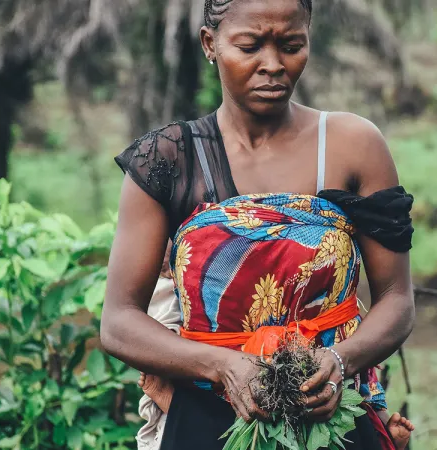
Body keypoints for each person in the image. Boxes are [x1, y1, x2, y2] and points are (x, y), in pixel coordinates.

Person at [101, 0, 416, 448]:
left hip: (329, 412)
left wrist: (339, 362)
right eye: (249, 46)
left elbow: (397, 300)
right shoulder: (168, 161)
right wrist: (223, 367)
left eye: (292, 46)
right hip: (208, 420)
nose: (273, 65)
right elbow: (119, 321)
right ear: (210, 44)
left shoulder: (352, 147)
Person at [136, 245, 414, 449]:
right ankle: (171, 401)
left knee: (336, 403)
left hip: (320, 339)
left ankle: (382, 429)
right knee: (224, 413)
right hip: (214, 342)